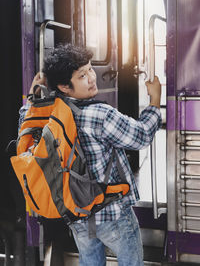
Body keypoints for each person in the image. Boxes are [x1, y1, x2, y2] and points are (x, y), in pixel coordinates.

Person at [19, 43, 162, 266]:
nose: (92, 77)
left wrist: (31, 97)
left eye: (90, 69)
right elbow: (141, 136)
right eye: (82, 75)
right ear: (65, 86)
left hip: (76, 211)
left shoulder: (49, 111)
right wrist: (154, 101)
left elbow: (26, 129)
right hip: (112, 213)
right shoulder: (99, 114)